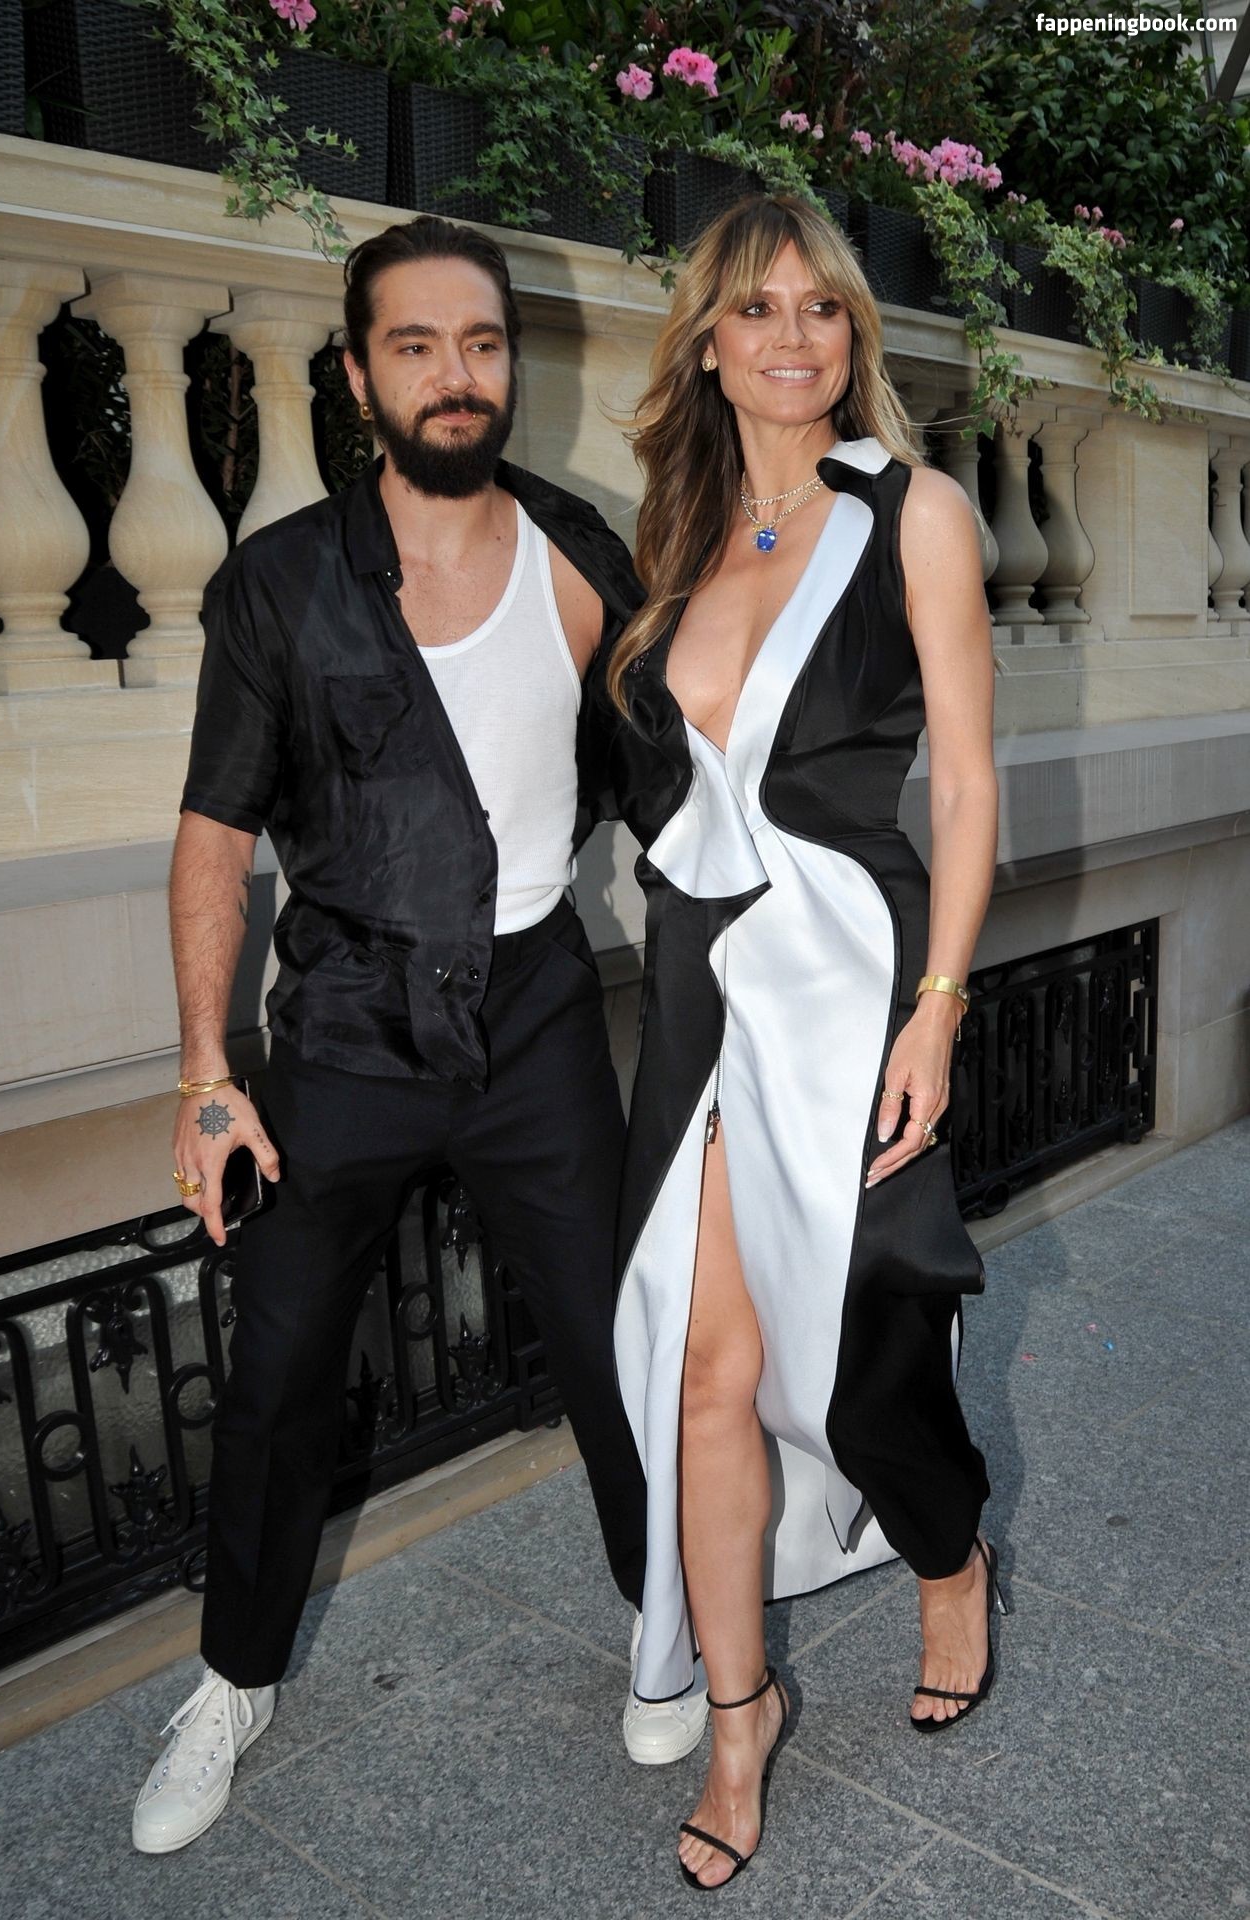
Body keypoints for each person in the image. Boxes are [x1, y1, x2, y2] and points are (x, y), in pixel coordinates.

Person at [132, 215, 707, 1857]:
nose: (456, 376)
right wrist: (206, 1075)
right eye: (416, 346)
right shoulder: (280, 583)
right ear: (356, 372)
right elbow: (210, 837)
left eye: (480, 343)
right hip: (341, 1028)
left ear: (507, 362)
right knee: (277, 1371)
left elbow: (674, 802)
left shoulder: (585, 555)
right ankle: (234, 1682)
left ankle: (662, 1621)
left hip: (534, 1016)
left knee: (614, 1339)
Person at [596, 194, 1004, 1891]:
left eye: (820, 308)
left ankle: (946, 1555)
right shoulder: (674, 531)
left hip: (850, 974)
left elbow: (965, 782)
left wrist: (939, 1007)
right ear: (705, 342)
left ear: (852, 334)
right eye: (755, 309)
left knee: (862, 1343)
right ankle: (737, 1714)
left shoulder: (914, 513)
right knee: (702, 1366)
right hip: (703, 982)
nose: (790, 337)